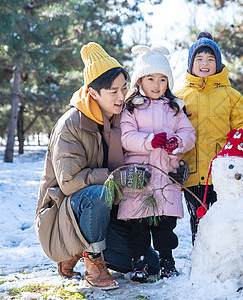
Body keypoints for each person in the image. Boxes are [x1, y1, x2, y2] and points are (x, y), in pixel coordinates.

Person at [35, 42, 159, 288]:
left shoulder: (120, 119)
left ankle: (82, 249)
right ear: (93, 93)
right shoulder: (70, 125)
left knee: (148, 262)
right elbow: (69, 182)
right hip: (63, 215)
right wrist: (115, 176)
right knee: (98, 193)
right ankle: (92, 261)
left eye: (124, 88)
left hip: (104, 213)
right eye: (113, 91)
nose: (122, 96)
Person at [117, 45, 195, 282]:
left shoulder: (175, 108)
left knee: (165, 225)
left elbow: (189, 134)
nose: (157, 84)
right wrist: (150, 140)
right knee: (138, 225)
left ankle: (167, 259)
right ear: (140, 80)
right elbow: (126, 137)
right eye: (151, 78)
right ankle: (139, 260)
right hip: (139, 177)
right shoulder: (131, 108)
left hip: (166, 175)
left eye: (162, 79)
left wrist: (177, 142)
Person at [176, 32, 243, 243]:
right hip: (192, 169)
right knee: (198, 217)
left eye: (211, 60)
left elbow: (242, 125)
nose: (205, 64)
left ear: (218, 64)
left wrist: (234, 148)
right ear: (191, 64)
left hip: (223, 170)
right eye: (199, 59)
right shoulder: (180, 97)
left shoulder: (231, 95)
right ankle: (201, 258)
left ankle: (226, 256)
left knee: (224, 217)